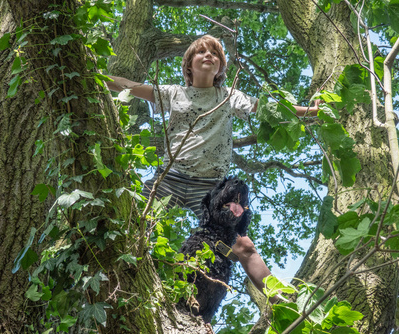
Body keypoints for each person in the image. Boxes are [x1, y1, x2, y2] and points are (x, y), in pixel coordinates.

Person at [106, 35, 319, 302]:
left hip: (209, 188)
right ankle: (123, 286)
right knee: (135, 223)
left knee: (242, 244)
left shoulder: (229, 96)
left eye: (215, 54)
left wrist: (310, 111)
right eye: (201, 52)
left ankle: (282, 299)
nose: (208, 55)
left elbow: (269, 109)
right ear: (189, 65)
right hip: (170, 178)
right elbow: (130, 86)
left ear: (220, 68)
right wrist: (95, 75)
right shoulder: (174, 93)